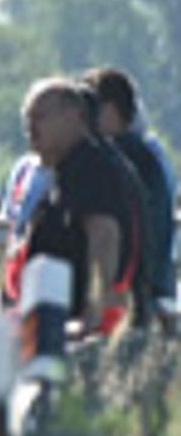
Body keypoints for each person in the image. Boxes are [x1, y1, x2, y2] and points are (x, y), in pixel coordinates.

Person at [18, 77, 141, 356]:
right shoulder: (69, 169)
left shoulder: (89, 166)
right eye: (27, 120)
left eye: (40, 117)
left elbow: (104, 235)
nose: (31, 128)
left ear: (75, 117)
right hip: (59, 321)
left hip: (80, 329)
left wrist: (92, 314)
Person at [87, 68, 175, 326]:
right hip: (151, 286)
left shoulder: (124, 157)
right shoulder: (145, 154)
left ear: (111, 109)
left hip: (132, 290)